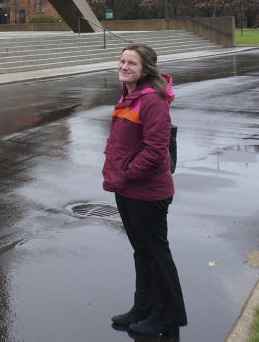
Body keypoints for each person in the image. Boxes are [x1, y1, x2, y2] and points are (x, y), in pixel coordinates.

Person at [103, 43, 187, 340]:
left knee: (156, 253)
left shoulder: (153, 100)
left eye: (131, 63)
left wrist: (126, 174)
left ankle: (168, 318)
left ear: (145, 69)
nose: (124, 67)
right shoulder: (130, 94)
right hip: (126, 188)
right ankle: (143, 308)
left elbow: (155, 151)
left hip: (147, 191)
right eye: (122, 61)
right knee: (143, 252)